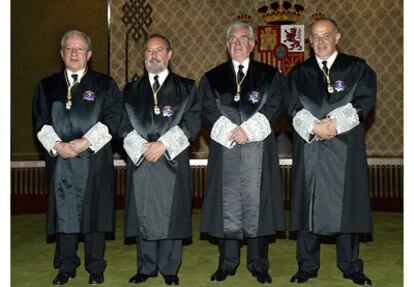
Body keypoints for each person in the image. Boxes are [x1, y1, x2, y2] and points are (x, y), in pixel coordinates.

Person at [286, 17, 376, 286]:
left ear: (338, 37)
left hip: (345, 149)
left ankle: (350, 266)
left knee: (346, 205)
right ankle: (307, 265)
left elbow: (364, 100)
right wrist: (315, 127)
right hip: (311, 147)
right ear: (309, 42)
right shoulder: (298, 73)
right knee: (307, 203)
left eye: (326, 35)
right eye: (315, 37)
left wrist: (333, 125)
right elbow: (290, 106)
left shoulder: (357, 68)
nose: (321, 41)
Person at [32, 30, 122, 286]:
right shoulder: (47, 85)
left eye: (80, 49)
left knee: (94, 213)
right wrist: (58, 146)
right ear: (61, 54)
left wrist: (84, 143)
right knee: (65, 213)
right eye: (69, 48)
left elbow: (112, 119)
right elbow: (40, 120)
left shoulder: (105, 85)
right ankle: (66, 265)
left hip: (93, 159)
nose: (74, 53)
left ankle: (96, 267)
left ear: (89, 54)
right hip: (61, 160)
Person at [199, 21, 286, 284]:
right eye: (232, 39)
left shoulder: (271, 76)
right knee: (227, 204)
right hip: (225, 148)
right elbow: (206, 107)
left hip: (258, 147)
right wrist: (230, 130)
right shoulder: (212, 77)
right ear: (227, 46)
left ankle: (259, 264)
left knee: (259, 202)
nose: (238, 43)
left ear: (253, 44)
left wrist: (248, 130)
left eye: (243, 38)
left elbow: (276, 105)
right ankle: (227, 262)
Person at [119, 34, 200, 286]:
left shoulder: (187, 88)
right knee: (143, 210)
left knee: (172, 212)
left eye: (159, 50)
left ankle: (169, 268)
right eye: (149, 51)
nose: (153, 56)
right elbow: (120, 122)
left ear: (169, 54)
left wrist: (163, 144)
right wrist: (143, 147)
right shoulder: (130, 90)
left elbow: (193, 121)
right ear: (144, 56)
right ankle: (146, 266)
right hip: (141, 159)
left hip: (171, 160)